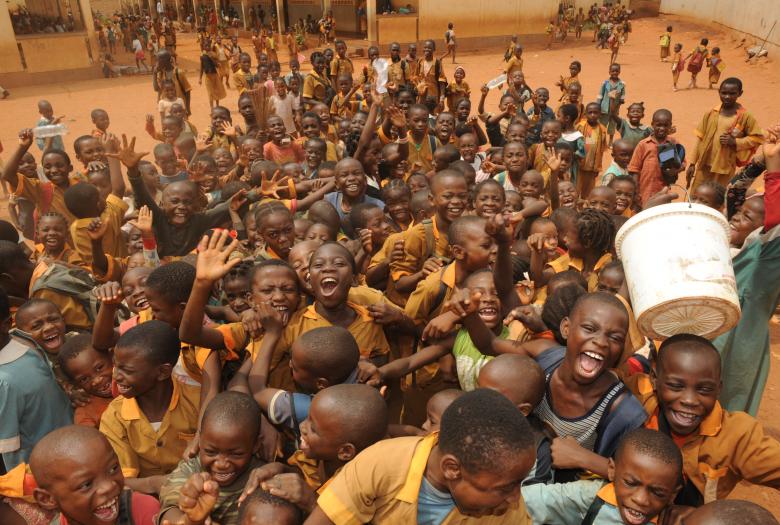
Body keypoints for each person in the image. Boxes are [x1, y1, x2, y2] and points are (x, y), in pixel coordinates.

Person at [308, 389, 536, 524]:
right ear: (452, 468)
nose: (516, 498)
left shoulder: (508, 510)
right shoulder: (380, 463)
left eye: (518, 484)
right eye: (505, 488)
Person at [627, 334, 780, 504]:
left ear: (719, 389)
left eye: (705, 389)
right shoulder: (637, 396)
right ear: (654, 379)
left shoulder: (737, 436)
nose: (689, 400)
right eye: (676, 386)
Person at [99, 320, 201, 494]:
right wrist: (154, 484)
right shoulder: (115, 416)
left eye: (128, 370)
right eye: (116, 366)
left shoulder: (197, 402)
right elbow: (120, 481)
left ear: (162, 372)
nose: (116, 376)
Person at [523, 428, 682, 524]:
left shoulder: (675, 520)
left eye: (657, 492)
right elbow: (533, 500)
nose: (641, 499)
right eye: (630, 483)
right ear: (612, 470)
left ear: (672, 494)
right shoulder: (595, 496)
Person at [158, 392, 264, 524]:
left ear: (256, 445)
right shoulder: (190, 471)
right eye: (211, 452)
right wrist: (189, 520)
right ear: (200, 441)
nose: (221, 464)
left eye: (235, 454)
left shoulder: (263, 477)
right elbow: (169, 511)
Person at [0, 288, 72, 469]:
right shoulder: (25, 345)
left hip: (59, 457)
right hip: (59, 458)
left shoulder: (27, 344)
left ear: (6, 325)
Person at [29, 425, 160, 525]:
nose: (109, 486)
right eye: (86, 484)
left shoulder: (143, 510)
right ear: (47, 499)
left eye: (113, 469)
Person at [687, 78, 763, 191]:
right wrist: (692, 163)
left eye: (732, 93)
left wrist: (736, 142)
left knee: (718, 196)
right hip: (704, 164)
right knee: (697, 194)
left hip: (725, 166)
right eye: (724, 93)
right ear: (719, 92)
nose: (727, 96)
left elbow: (757, 138)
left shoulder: (745, 116)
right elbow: (700, 139)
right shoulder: (710, 113)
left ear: (740, 93)